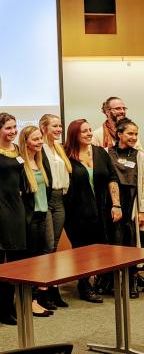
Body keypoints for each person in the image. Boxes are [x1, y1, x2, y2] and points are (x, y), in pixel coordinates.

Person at [64, 119, 122, 302]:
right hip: (77, 212)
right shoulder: (67, 156)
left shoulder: (99, 153)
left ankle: (100, 282)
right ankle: (84, 286)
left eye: (90, 130)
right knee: (81, 249)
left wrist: (116, 204)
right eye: (84, 131)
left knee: (101, 246)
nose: (89, 133)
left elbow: (112, 178)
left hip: (102, 209)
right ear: (74, 135)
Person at [0, 113, 26, 325]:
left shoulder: (17, 150)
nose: (12, 132)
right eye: (8, 128)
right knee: (1, 262)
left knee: (17, 260)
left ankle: (13, 306)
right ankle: (4, 308)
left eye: (14, 127)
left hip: (17, 209)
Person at [18, 125, 54, 317]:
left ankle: (36, 299)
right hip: (30, 219)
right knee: (30, 261)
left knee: (41, 259)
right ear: (26, 142)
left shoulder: (41, 161)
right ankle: (29, 301)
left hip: (43, 215)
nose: (40, 142)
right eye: (35, 139)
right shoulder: (20, 164)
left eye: (40, 138)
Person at [107, 118, 144, 298]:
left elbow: (142, 183)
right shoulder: (107, 153)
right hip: (112, 203)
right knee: (114, 242)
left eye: (136, 134)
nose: (134, 137)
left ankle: (132, 280)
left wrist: (142, 210)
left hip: (132, 204)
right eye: (130, 133)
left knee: (131, 243)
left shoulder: (139, 155)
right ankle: (111, 282)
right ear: (119, 134)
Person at [39, 114, 72, 307]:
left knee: (55, 246)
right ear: (44, 128)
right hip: (47, 199)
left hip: (61, 199)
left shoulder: (58, 148)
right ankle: (43, 292)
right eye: (54, 126)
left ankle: (54, 289)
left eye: (60, 126)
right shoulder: (39, 148)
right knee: (48, 246)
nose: (59, 129)